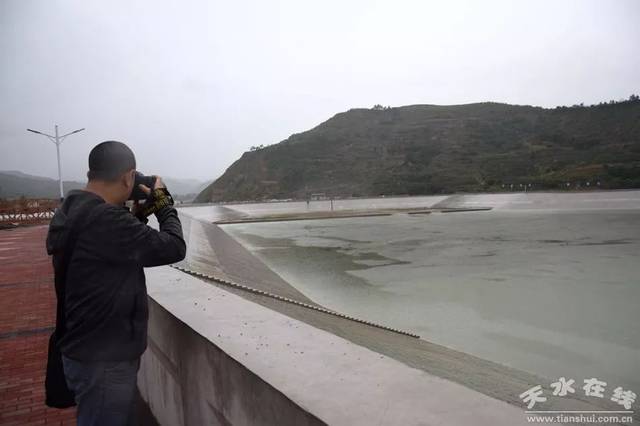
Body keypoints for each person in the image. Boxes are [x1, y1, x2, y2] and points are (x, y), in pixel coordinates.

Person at [46, 141, 186, 425]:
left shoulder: (73, 210)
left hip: (84, 350)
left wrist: (137, 217)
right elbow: (173, 247)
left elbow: (114, 246)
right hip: (103, 362)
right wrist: (164, 205)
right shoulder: (104, 220)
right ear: (127, 177)